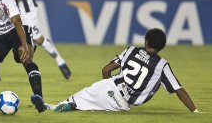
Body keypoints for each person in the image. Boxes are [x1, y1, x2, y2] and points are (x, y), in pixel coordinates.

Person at [51, 28, 201, 113]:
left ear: (146, 41)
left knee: (73, 101)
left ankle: (55, 106)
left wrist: (107, 88)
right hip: (122, 104)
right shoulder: (162, 65)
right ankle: (75, 106)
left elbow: (106, 70)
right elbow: (178, 89)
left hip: (108, 87)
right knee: (93, 109)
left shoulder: (132, 51)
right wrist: (195, 111)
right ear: (161, 46)